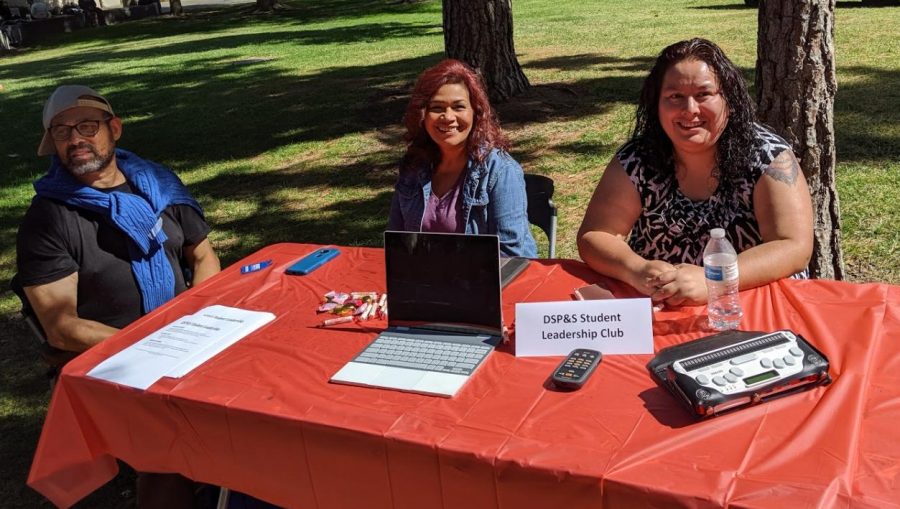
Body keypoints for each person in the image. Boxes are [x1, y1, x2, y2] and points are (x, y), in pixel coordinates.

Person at [14, 85, 220, 508]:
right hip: (111, 359)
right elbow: (61, 327)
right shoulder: (49, 218)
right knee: (166, 449)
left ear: (115, 129)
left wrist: (202, 322)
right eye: (62, 131)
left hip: (188, 334)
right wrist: (156, 347)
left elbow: (202, 256)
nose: (76, 140)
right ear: (52, 143)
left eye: (87, 126)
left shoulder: (158, 185)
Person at [577, 38, 813, 307]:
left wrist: (717, 279)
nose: (690, 110)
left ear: (729, 100)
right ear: (657, 105)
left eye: (703, 95)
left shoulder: (768, 157)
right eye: (675, 96)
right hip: (660, 307)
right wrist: (637, 269)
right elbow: (595, 235)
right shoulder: (637, 158)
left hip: (752, 307)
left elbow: (793, 246)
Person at [388, 59, 537, 258]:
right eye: (437, 108)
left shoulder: (500, 170)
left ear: (476, 113)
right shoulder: (414, 165)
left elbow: (510, 255)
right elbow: (397, 242)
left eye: (458, 107)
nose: (448, 117)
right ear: (423, 115)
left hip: (488, 282)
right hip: (425, 281)